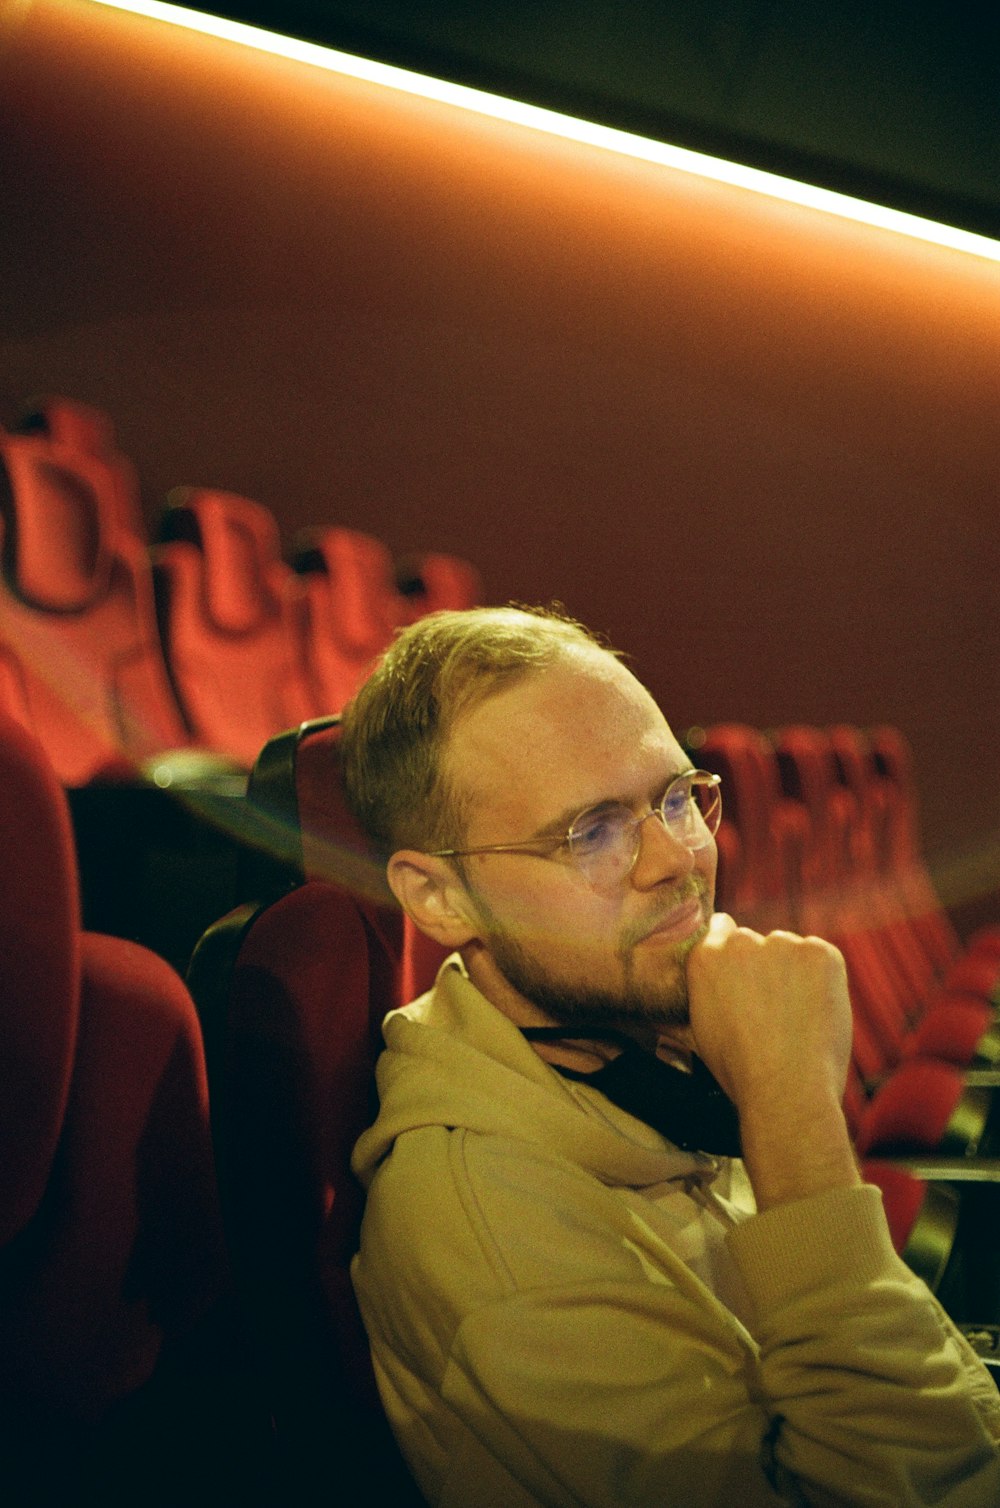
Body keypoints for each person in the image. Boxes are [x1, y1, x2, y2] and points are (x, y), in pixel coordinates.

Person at [341, 603, 1000, 1507]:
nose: (677, 858)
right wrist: (794, 1114)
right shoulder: (501, 1251)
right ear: (439, 898)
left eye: (678, 796)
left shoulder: (626, 1048)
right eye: (593, 832)